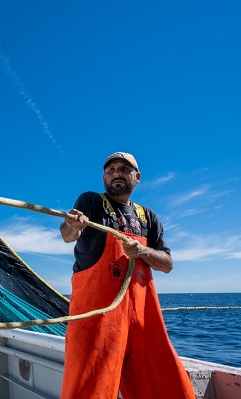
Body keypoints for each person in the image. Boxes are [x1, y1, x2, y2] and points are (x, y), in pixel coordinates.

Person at [59, 152, 195, 399]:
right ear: (103, 177)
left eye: (123, 169)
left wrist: (142, 251)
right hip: (96, 318)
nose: (116, 174)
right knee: (89, 389)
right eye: (111, 170)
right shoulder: (91, 201)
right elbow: (68, 234)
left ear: (138, 177)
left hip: (143, 317)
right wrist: (73, 225)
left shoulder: (148, 217)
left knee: (163, 384)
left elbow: (167, 264)